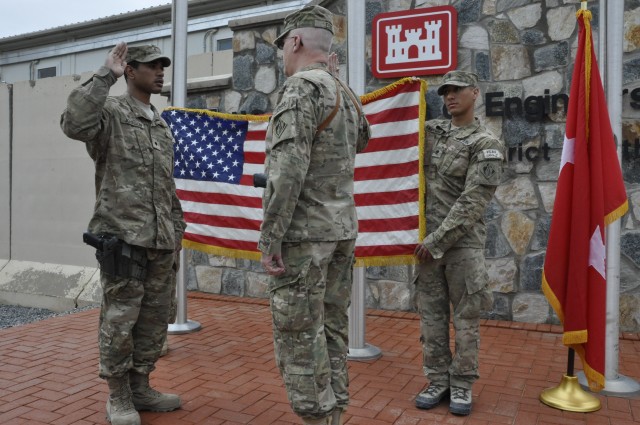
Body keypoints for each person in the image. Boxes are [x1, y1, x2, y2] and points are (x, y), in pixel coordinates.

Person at [61, 42, 185, 425]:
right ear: (130, 71)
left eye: (163, 66)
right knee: (120, 320)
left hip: (162, 240)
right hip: (124, 239)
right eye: (151, 66)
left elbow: (164, 183)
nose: (160, 72)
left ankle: (141, 387)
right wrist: (104, 75)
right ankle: (118, 396)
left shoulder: (159, 123)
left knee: (153, 320)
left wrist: (177, 229)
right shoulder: (111, 112)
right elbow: (74, 123)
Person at [258, 5, 370, 425]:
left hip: (304, 239)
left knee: (300, 337)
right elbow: (362, 139)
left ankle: (317, 418)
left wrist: (270, 239)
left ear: (295, 41)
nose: (283, 56)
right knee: (332, 331)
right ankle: (335, 413)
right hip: (341, 233)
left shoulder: (300, 88)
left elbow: (285, 173)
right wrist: (336, 77)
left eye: (283, 47)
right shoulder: (340, 90)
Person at [413, 71, 505, 416]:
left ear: (475, 93)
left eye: (457, 90)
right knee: (432, 319)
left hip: (462, 245)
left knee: (466, 320)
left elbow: (472, 202)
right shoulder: (431, 134)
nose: (450, 97)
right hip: (427, 247)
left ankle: (463, 384)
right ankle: (437, 379)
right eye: (445, 92)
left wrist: (435, 240)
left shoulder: (486, 143)